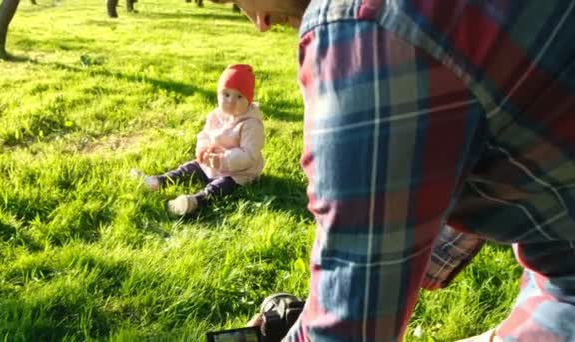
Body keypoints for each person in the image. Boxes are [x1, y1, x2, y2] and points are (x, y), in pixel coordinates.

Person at [209, 0, 575, 341]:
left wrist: (339, 293)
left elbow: (349, 327)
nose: (259, 23)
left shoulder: (362, 31)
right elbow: (502, 110)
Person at [133, 64, 265, 216]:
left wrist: (223, 160)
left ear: (248, 99)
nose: (231, 101)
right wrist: (203, 149)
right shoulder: (216, 115)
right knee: (189, 168)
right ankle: (158, 181)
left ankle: (195, 201)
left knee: (222, 187)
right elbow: (205, 135)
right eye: (226, 95)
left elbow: (249, 154)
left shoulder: (251, 124)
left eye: (239, 96)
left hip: (239, 172)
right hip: (211, 163)